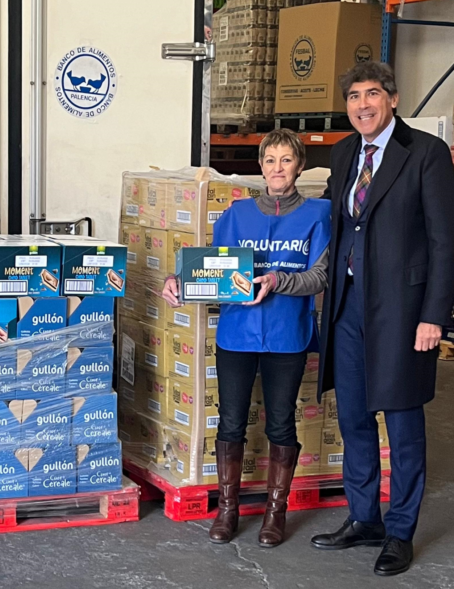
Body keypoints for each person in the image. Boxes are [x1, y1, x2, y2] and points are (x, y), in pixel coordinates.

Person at [312, 62, 454, 576]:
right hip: (347, 308)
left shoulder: (427, 154)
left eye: (372, 94)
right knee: (353, 419)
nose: (362, 104)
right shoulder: (345, 152)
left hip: (403, 312)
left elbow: (445, 241)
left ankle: (400, 531)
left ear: (393, 99)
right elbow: (332, 221)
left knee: (403, 423)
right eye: (353, 96)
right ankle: (364, 518)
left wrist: (435, 315)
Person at [163, 129, 331, 547]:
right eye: (270, 160)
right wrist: (179, 281)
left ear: (299, 166)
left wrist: (277, 280)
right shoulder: (236, 215)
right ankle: (228, 508)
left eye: (286, 160)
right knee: (232, 421)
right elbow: (213, 272)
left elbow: (321, 275)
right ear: (260, 167)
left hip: (287, 334)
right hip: (237, 334)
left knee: (280, 422)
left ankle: (276, 512)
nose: (278, 168)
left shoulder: (318, 215)